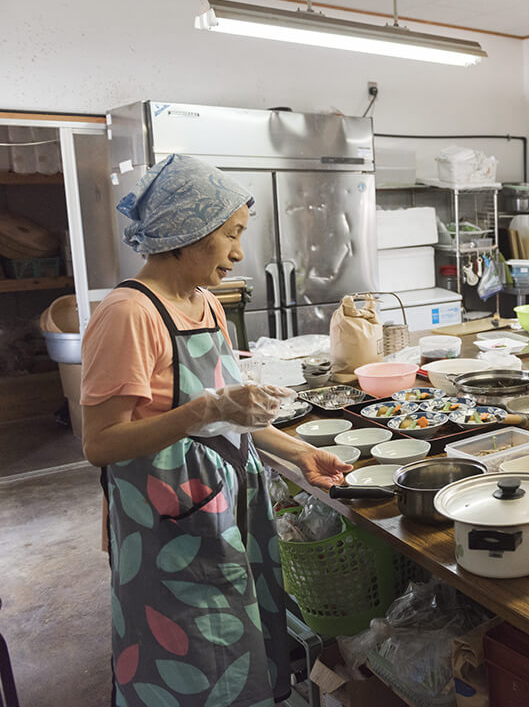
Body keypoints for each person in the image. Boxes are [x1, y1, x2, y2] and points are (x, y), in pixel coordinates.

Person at [81, 154, 353, 706]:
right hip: (165, 523)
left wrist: (297, 450)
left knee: (236, 636)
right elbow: (100, 443)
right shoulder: (129, 314)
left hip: (227, 502)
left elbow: (230, 414)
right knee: (183, 648)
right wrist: (203, 410)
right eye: (230, 235)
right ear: (186, 231)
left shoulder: (207, 304)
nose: (238, 252)